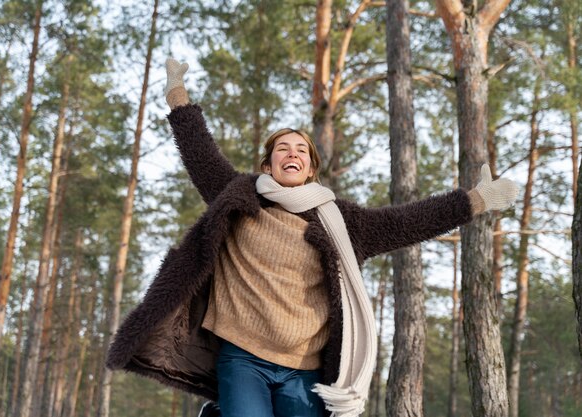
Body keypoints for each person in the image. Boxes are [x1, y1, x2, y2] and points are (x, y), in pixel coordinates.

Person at [106, 59, 519, 417]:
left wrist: (478, 199)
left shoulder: (340, 222)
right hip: (242, 358)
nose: (293, 154)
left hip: (303, 367)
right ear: (268, 166)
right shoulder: (238, 197)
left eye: (301, 150)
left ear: (311, 169)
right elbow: (198, 151)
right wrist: (175, 91)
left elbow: (410, 221)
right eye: (283, 149)